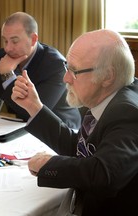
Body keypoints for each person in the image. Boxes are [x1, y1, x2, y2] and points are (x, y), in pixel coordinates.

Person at [11, 29, 138, 216]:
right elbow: (82, 150)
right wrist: (34, 107)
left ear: (107, 76)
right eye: (66, 67)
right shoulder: (107, 97)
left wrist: (51, 165)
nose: (66, 78)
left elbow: (104, 175)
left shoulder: (128, 112)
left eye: (74, 71)